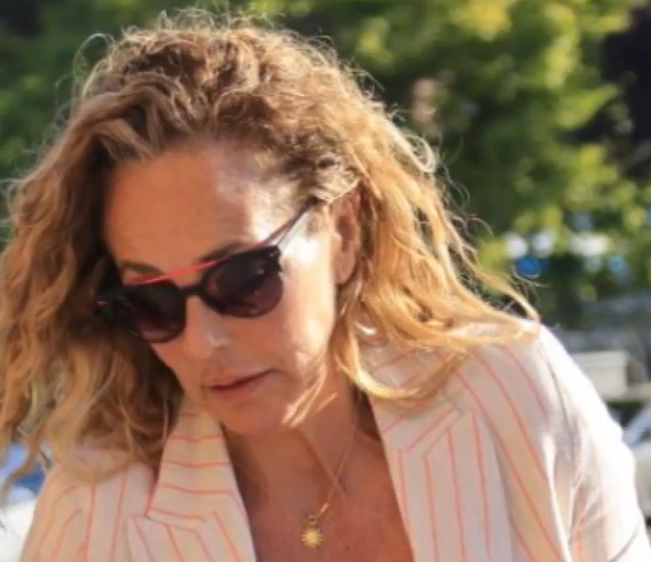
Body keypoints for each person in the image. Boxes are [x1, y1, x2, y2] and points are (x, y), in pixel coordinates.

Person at [0, 9, 648, 562]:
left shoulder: (512, 397)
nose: (202, 341)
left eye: (242, 278)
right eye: (155, 301)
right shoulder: (104, 513)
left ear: (342, 231)